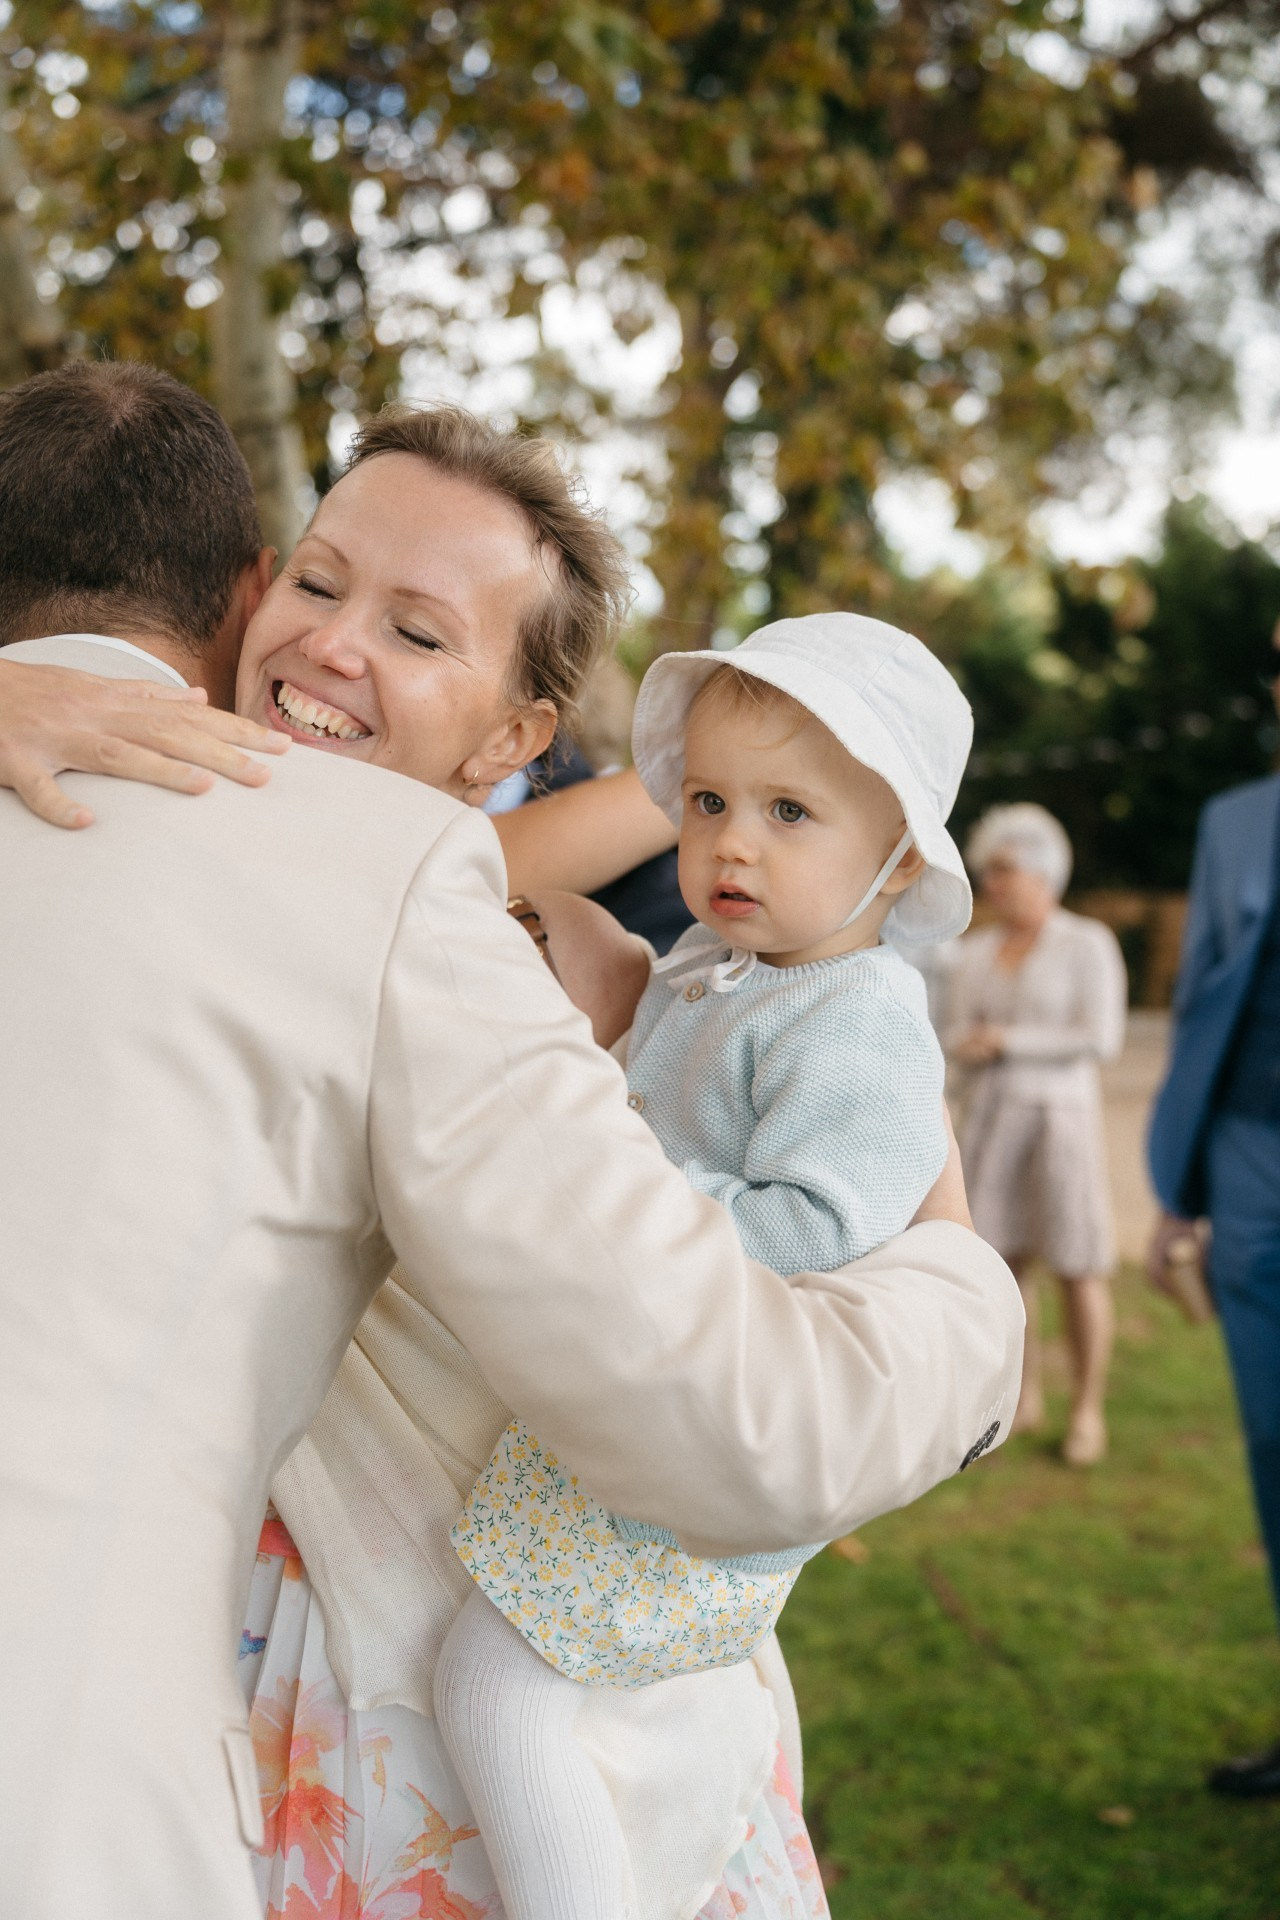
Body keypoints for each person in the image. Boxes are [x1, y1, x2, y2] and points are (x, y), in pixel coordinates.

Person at [0, 365, 1024, 1920]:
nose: (336, 646)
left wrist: (955, 1270)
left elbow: (739, 1370)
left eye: (420, 633)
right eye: (321, 583)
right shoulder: (181, 813)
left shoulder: (507, 935)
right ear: (245, 600)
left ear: (514, 734)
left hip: (488, 1666)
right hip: (233, 1678)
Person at [435, 614, 978, 1920]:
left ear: (898, 858)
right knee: (575, 1700)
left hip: (716, 1422)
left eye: (791, 812)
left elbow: (819, 1230)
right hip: (645, 1394)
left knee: (494, 1683)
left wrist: (615, 1175)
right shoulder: (722, 965)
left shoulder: (858, 1026)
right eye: (714, 801)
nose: (732, 840)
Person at [1147, 643, 1280, 1798]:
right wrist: (1176, 1191)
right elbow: (1200, 1006)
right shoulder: (1235, 819)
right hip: (1248, 1163)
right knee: (1275, 1448)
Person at [944, 804, 1126, 1466]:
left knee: (1078, 1265)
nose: (992, 883)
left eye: (1004, 869)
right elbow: (954, 1039)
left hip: (1061, 1122)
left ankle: (1087, 1409)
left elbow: (1100, 1038)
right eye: (987, 870)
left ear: (1042, 870)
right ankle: (1022, 1399)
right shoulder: (974, 954)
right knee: (1005, 1263)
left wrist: (1008, 1040)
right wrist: (964, 1050)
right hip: (992, 1122)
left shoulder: (1087, 943)